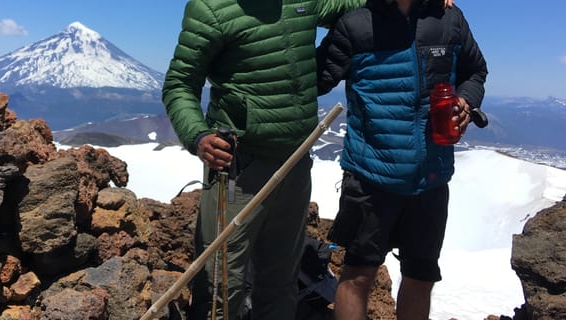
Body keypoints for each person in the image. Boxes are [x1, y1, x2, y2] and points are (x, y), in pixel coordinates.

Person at [163, 0, 457, 319]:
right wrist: (198, 135)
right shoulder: (210, 9)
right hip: (238, 166)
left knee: (280, 280)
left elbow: (356, 4)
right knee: (223, 283)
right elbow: (179, 84)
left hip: (295, 162)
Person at [315, 0, 488, 319]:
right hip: (370, 175)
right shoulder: (356, 24)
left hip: (431, 177)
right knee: (357, 275)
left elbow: (475, 70)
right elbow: (314, 79)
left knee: (420, 277)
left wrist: (466, 101)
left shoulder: (448, 19)